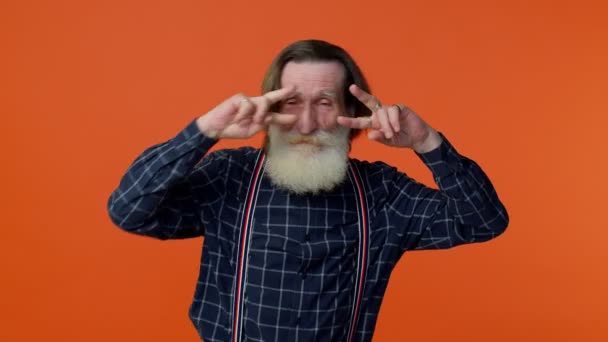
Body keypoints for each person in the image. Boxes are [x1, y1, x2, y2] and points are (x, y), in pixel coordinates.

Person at [107, 39, 508, 342]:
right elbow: (128, 209)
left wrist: (428, 144)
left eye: (324, 102)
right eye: (293, 101)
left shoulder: (382, 193)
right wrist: (203, 132)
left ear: (352, 114)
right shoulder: (230, 176)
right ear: (269, 106)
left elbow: (483, 221)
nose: (306, 123)